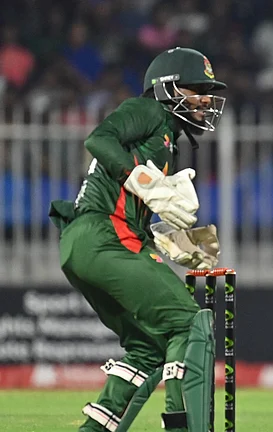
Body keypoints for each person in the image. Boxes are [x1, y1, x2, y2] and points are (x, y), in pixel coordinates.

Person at [48, 47, 227, 432]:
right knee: (188, 324)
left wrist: (173, 241)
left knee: (147, 349)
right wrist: (144, 181)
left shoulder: (166, 137)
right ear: (167, 88)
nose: (205, 100)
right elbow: (99, 139)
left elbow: (130, 208)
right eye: (197, 89)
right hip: (104, 236)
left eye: (208, 92)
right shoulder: (148, 111)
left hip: (88, 242)